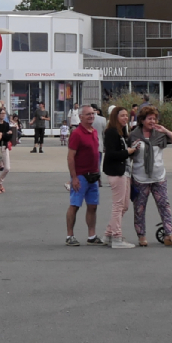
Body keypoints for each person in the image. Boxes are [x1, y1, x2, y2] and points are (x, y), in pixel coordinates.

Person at [127, 106, 172, 247]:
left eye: (154, 118)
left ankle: (169, 235)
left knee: (164, 205)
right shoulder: (134, 135)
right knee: (139, 208)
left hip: (159, 176)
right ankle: (141, 236)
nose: (152, 121)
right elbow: (128, 155)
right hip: (140, 177)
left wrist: (165, 130)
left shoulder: (159, 134)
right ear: (142, 120)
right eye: (149, 118)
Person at [64, 104, 102, 246]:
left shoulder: (94, 132)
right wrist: (74, 177)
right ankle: (70, 236)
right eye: (88, 114)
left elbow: (96, 155)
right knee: (75, 205)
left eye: (93, 114)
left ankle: (92, 236)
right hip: (80, 175)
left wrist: (98, 174)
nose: (91, 116)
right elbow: (70, 157)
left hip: (93, 175)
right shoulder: (77, 134)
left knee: (93, 206)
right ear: (80, 117)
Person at [99, 105, 134, 248]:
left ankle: (108, 234)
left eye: (126, 115)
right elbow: (111, 154)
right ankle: (117, 238)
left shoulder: (121, 132)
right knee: (118, 205)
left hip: (124, 171)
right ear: (115, 117)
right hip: (116, 171)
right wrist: (129, 151)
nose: (125, 118)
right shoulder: (111, 132)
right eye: (122, 115)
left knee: (124, 205)